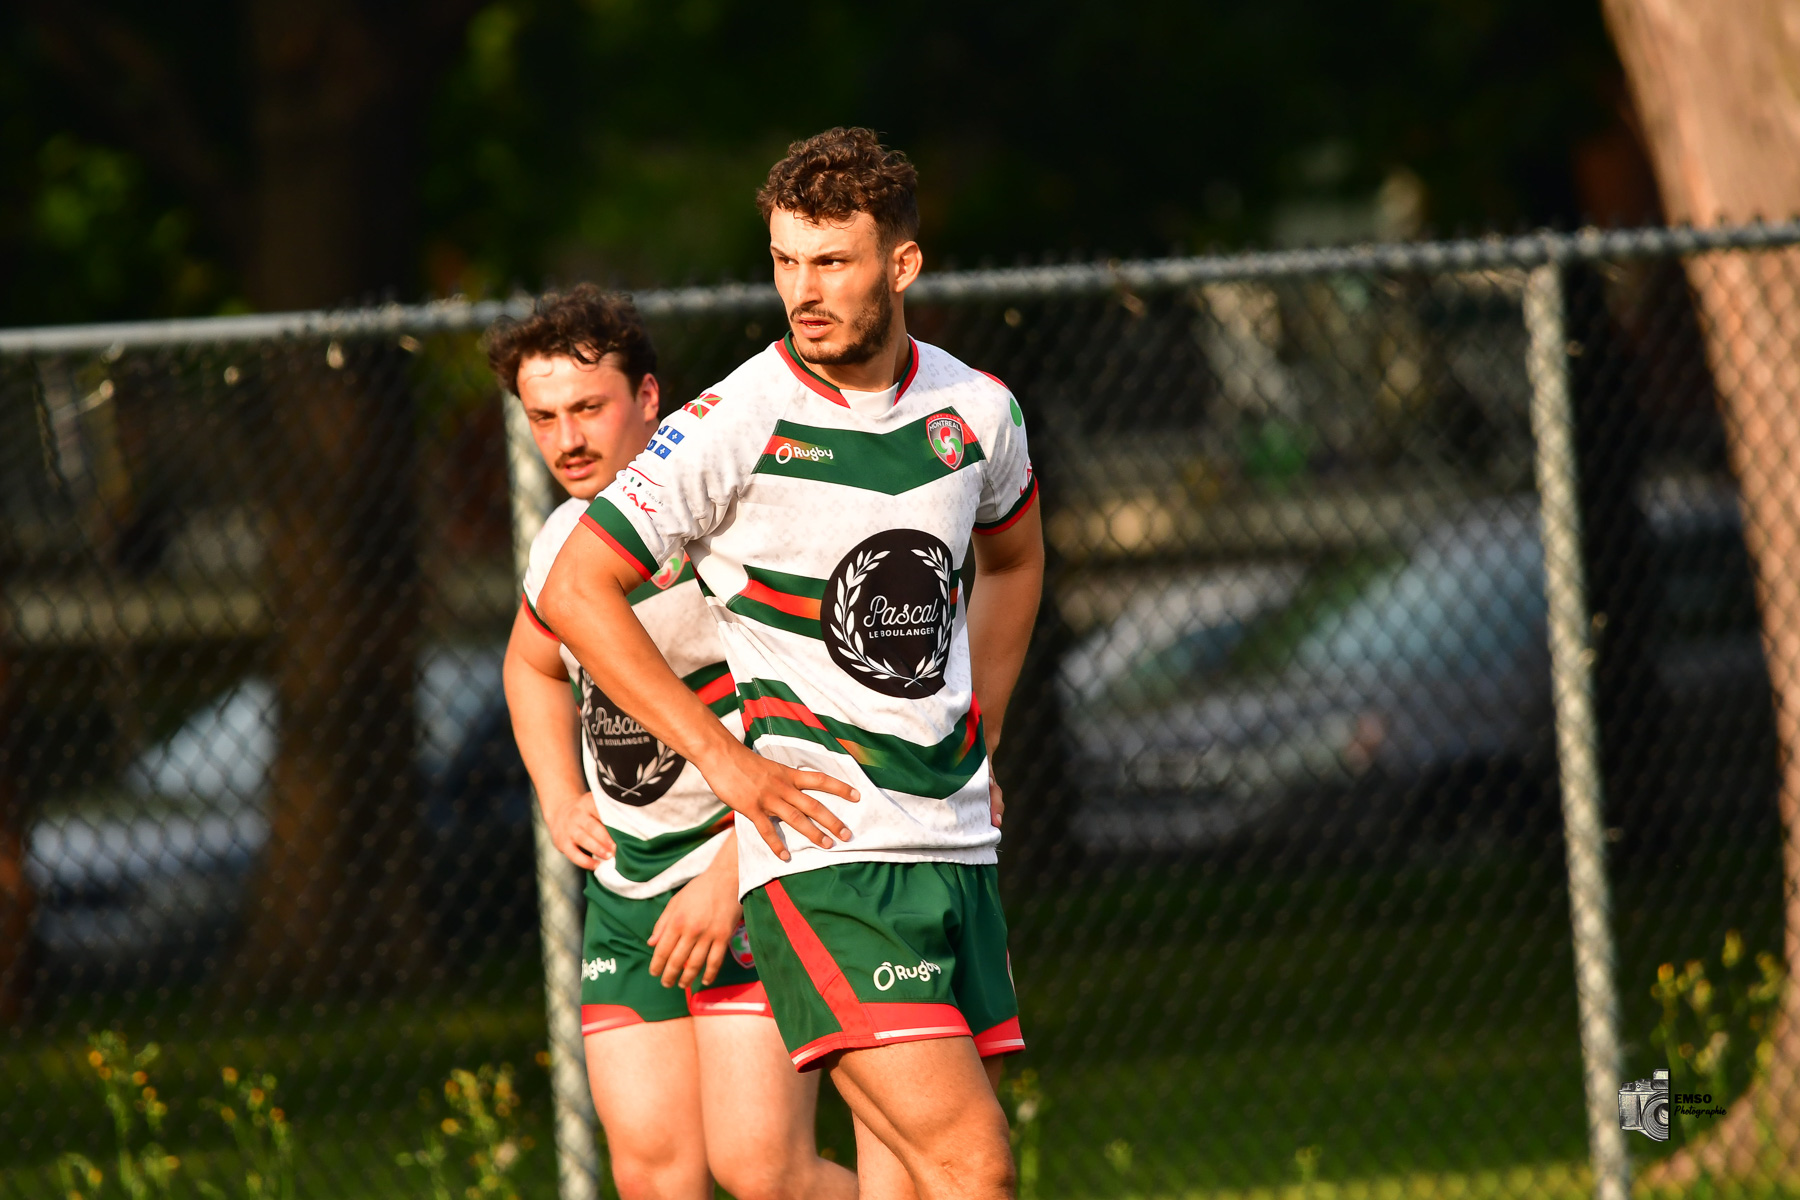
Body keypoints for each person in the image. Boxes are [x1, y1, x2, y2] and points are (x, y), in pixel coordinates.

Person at [537, 129, 1045, 1200]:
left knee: (910, 1177)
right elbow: (577, 591)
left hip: (954, 843)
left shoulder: (978, 410)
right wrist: (725, 761)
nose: (802, 292)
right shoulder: (732, 422)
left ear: (901, 264)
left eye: (831, 262)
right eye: (784, 261)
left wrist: (985, 729)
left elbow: (1014, 557)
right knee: (974, 1164)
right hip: (827, 861)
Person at [493, 285, 856, 1200]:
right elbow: (531, 666)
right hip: (628, 896)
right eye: (543, 417)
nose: (567, 439)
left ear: (648, 398)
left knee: (762, 1171)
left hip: (749, 873)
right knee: (654, 1175)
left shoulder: (727, 526)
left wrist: (730, 877)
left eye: (588, 408)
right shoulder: (563, 541)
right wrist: (559, 794)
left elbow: (826, 717)